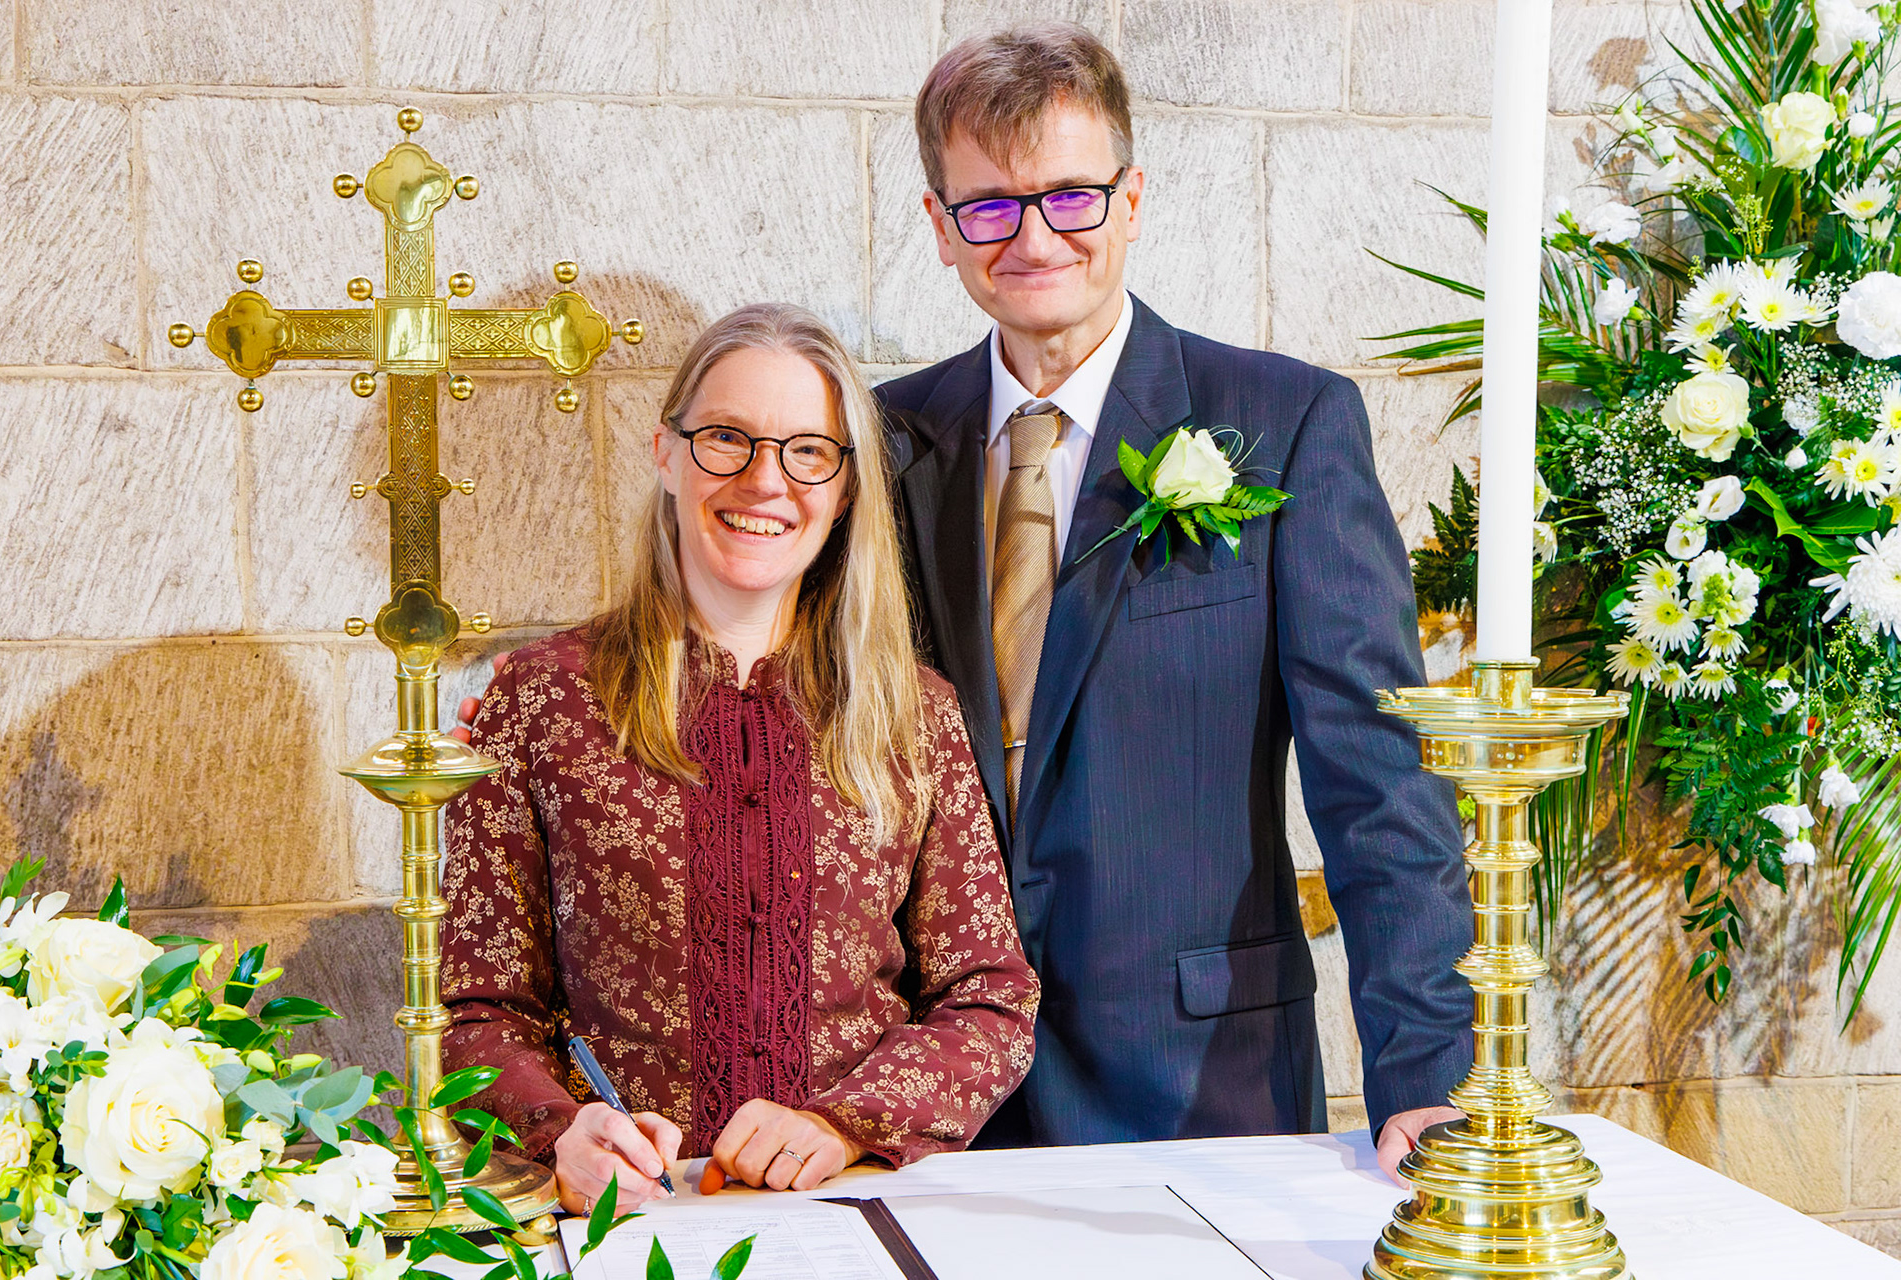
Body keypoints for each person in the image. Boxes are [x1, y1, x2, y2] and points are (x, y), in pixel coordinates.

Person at [875, 25, 1473, 1177]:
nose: (1034, 237)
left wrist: (1429, 1071)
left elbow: (1378, 781)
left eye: (1071, 197)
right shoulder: (885, 439)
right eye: (989, 207)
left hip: (1204, 1079)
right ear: (941, 227)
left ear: (1133, 199)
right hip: (937, 1089)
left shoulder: (1286, 421)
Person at [439, 303, 1038, 1215]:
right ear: (666, 452)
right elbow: (475, 1008)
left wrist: (848, 1123)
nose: (766, 481)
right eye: (727, 438)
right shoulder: (542, 698)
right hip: (627, 1219)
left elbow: (989, 998)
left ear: (845, 489)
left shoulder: (915, 714)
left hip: (849, 1210)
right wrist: (560, 1131)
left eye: (808, 451)